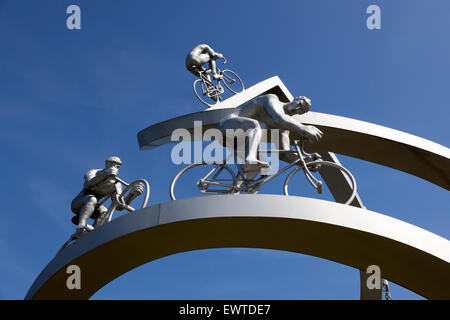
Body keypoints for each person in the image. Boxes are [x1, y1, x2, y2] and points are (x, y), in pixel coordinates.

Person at [216, 94, 323, 174]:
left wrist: (306, 161)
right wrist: (302, 127)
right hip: (226, 126)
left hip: (240, 140)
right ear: (295, 99)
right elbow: (279, 117)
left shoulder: (284, 128)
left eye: (301, 111)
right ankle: (250, 159)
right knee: (255, 125)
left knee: (259, 167)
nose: (297, 109)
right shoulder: (272, 99)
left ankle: (236, 188)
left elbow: (284, 154)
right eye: (299, 104)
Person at [70, 156, 144, 235]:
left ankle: (93, 234)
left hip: (95, 207)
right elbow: (88, 184)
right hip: (79, 202)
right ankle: (81, 225)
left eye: (117, 166)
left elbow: (119, 204)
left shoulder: (116, 183)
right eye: (113, 164)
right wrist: (105, 174)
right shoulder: (94, 172)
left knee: (105, 212)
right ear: (106, 164)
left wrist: (132, 195)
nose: (115, 167)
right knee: (92, 199)